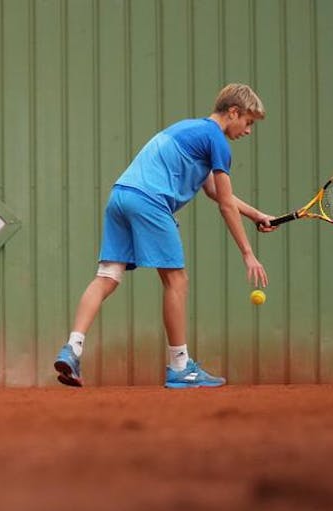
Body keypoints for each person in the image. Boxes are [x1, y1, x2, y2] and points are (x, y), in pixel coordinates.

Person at [53, 83, 277, 389]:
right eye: (248, 122)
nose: (248, 131)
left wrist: (256, 215)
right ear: (234, 112)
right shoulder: (217, 142)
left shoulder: (190, 129)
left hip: (120, 197)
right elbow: (225, 205)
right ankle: (180, 366)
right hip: (150, 202)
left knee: (107, 276)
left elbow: (215, 191)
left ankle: (73, 347)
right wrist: (248, 253)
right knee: (177, 281)